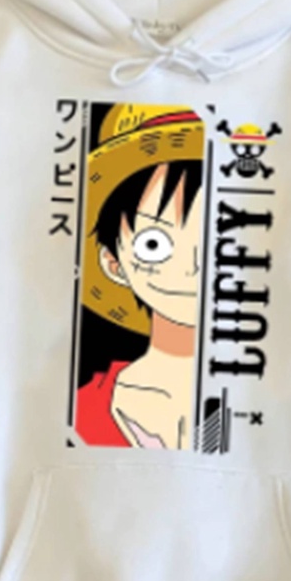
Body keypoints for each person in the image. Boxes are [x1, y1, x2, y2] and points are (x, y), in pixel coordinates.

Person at [75, 106, 204, 449]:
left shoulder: (272, 402)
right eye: (154, 244)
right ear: (113, 263)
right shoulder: (83, 408)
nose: (193, 266)